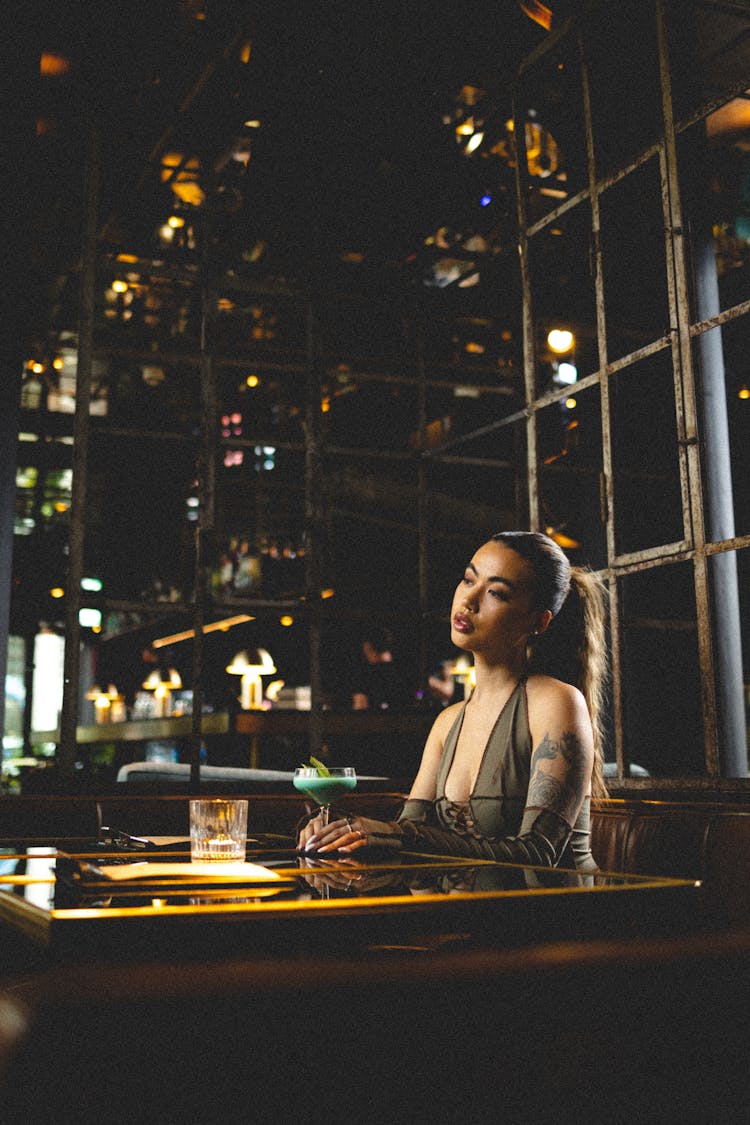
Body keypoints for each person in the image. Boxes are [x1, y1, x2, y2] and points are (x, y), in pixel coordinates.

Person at [298, 530, 608, 872]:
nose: (468, 601)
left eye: (496, 592)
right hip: (465, 912)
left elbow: (538, 853)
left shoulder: (556, 701)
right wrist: (337, 832)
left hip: (556, 915)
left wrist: (393, 835)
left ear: (538, 621)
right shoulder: (448, 722)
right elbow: (409, 829)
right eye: (467, 580)